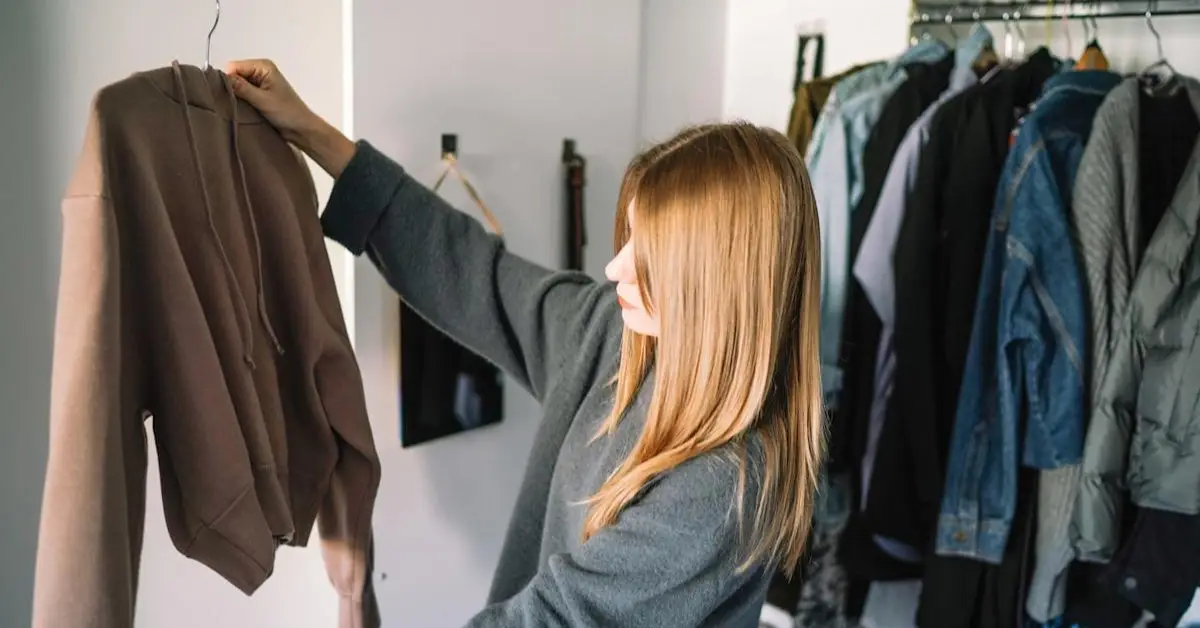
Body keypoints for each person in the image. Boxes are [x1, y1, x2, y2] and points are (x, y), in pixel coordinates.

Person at [226, 58, 826, 627]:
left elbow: (556, 619)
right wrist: (310, 131)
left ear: (721, 287)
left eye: (650, 259)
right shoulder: (611, 334)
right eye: (628, 238)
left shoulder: (724, 488)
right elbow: (469, 271)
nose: (615, 269)